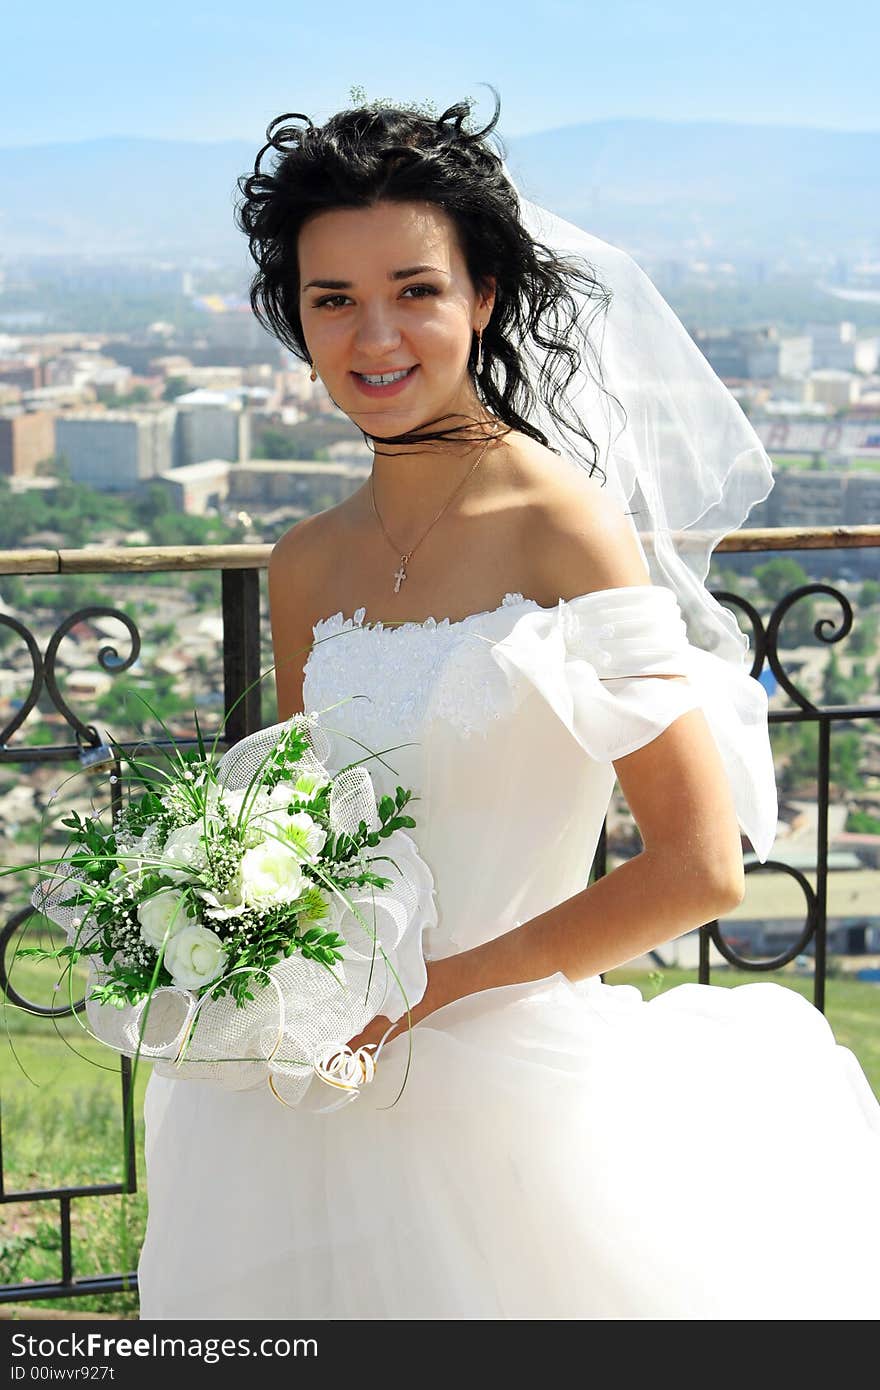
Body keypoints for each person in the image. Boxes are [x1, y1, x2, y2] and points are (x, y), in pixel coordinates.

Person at [137, 92, 880, 1320]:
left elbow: (696, 870)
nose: (374, 335)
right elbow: (312, 829)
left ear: (482, 296)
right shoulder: (305, 563)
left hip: (511, 1099)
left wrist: (431, 992)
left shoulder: (561, 522)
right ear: (296, 319)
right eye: (332, 300)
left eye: (415, 289)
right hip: (303, 1086)